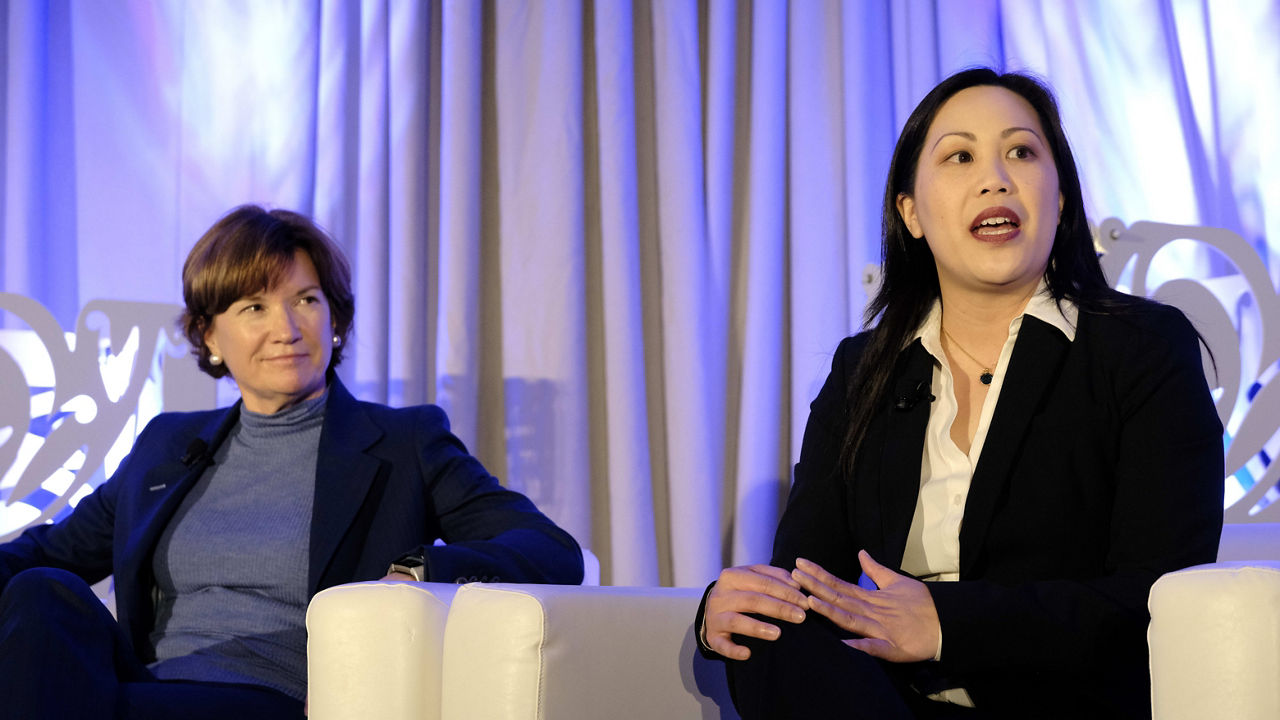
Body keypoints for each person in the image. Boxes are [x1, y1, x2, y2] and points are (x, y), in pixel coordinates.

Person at [696, 68, 1223, 718]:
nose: (995, 176)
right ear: (910, 213)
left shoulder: (1142, 348)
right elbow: (808, 578)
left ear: (1059, 199)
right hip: (885, 702)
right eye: (960, 155)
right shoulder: (864, 370)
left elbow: (1159, 594)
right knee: (774, 633)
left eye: (1022, 152)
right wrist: (723, 608)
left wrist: (946, 623)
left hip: (1062, 699)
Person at [0, 205, 584, 719]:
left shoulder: (404, 442)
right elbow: (51, 553)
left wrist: (415, 570)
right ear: (209, 337)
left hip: (273, 697)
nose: (285, 329)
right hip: (139, 687)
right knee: (41, 590)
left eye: (305, 299)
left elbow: (550, 550)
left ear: (335, 322)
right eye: (254, 306)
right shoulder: (166, 446)